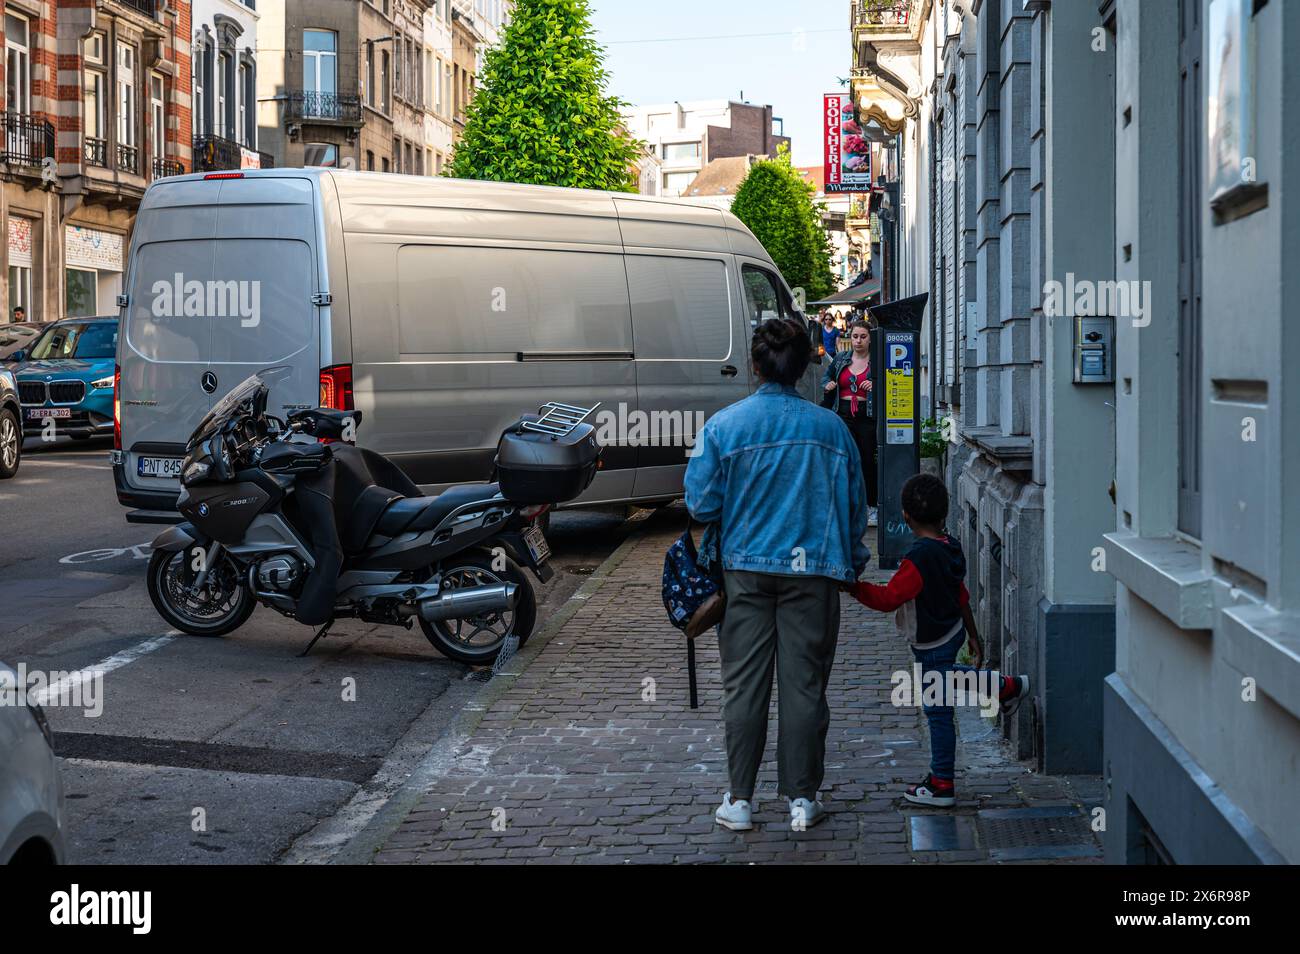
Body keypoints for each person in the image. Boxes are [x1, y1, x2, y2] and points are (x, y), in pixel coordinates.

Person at [685, 317, 869, 831]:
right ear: (802, 367)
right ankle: (802, 800)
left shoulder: (724, 426)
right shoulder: (831, 428)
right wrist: (852, 564)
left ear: (755, 366)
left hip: (744, 570)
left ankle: (740, 800)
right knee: (804, 686)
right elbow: (856, 505)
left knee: (743, 687)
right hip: (812, 571)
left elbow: (700, 503)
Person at [847, 473, 1029, 807]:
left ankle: (943, 783)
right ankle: (1002, 688)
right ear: (944, 515)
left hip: (930, 642)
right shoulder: (950, 547)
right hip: (951, 632)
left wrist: (852, 587)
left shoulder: (918, 559)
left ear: (905, 516)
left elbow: (888, 600)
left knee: (938, 712)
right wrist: (973, 634)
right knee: (947, 683)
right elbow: (961, 594)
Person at [822, 318, 879, 526]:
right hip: (842, 413)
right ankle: (846, 505)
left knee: (866, 460)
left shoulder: (877, 360)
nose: (858, 341)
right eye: (855, 336)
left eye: (863, 337)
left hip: (866, 415)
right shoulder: (841, 359)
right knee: (843, 459)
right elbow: (825, 377)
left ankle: (871, 506)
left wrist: (875, 386)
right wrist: (828, 385)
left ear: (870, 339)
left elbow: (887, 384)